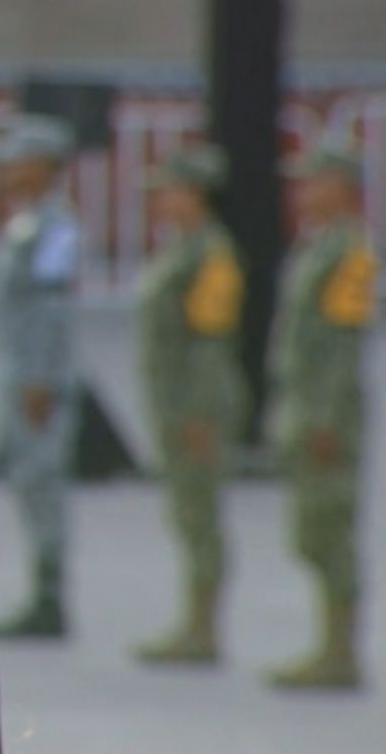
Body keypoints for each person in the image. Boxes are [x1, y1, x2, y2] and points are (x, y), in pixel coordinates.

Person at [266, 140, 377, 690]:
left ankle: (340, 651)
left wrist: (328, 418)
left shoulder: (351, 253)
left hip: (327, 413)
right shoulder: (318, 246)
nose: (303, 191)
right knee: (313, 528)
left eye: (315, 180)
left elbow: (343, 343)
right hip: (306, 406)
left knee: (331, 527)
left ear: (343, 187)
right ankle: (330, 646)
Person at [131, 145, 248, 665]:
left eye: (171, 189)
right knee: (187, 513)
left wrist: (199, 411)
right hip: (175, 403)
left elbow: (209, 340)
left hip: (197, 405)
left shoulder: (210, 254)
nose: (162, 199)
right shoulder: (182, 249)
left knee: (200, 515)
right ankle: (194, 623)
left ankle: (204, 628)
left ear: (197, 193)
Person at [0, 113, 82, 639]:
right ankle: (42, 590)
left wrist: (41, 377)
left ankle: (50, 597)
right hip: (19, 372)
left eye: (19, 163)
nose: (9, 172)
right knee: (27, 480)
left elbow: (50, 308)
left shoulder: (55, 229)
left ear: (44, 167)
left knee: (42, 483)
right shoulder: (29, 223)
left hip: (37, 379)